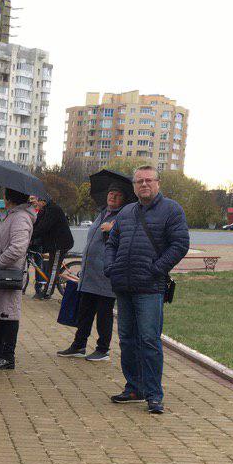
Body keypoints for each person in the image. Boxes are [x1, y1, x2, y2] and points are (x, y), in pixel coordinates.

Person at [102, 165, 189, 414]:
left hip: (150, 287)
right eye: (139, 181)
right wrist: (110, 267)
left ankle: (153, 394)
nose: (144, 184)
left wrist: (156, 269)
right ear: (134, 186)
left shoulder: (171, 210)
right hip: (124, 285)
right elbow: (112, 242)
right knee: (127, 340)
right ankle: (134, 388)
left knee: (149, 341)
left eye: (148, 180)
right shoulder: (127, 211)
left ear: (158, 183)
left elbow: (180, 244)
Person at [58, 184, 126, 360]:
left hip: (106, 275)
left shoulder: (123, 217)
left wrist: (112, 231)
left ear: (124, 199)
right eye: (111, 193)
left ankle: (103, 350)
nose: (113, 197)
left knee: (104, 314)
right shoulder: (102, 214)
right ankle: (79, 345)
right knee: (85, 313)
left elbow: (124, 242)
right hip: (89, 274)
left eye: (118, 195)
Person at [0, 189, 36, 370]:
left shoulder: (20, 217)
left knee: (9, 313)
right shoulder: (13, 215)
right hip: (3, 272)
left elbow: (18, 248)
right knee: (2, 313)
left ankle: (7, 356)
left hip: (9, 273)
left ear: (8, 198)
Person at [31, 198, 74, 299]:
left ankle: (47, 292)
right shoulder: (44, 210)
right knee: (51, 266)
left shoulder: (53, 210)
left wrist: (31, 236)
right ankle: (47, 289)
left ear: (43, 201)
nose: (36, 204)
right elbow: (37, 224)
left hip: (60, 244)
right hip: (54, 244)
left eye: (38, 201)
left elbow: (43, 227)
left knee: (53, 268)